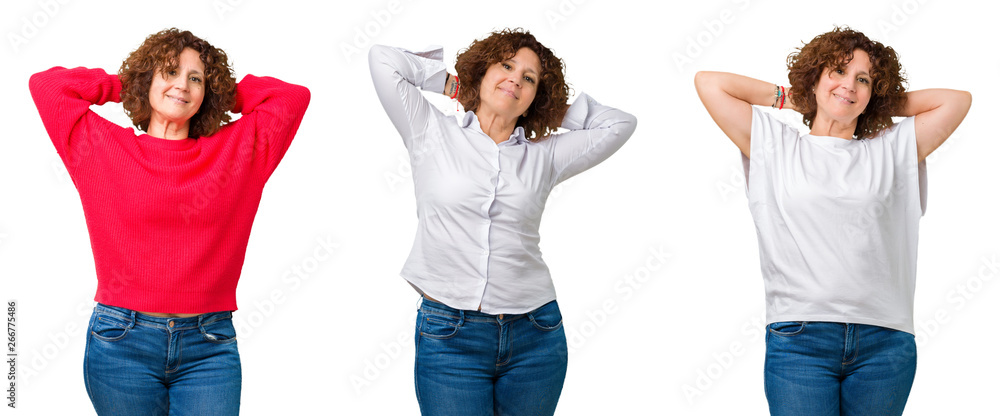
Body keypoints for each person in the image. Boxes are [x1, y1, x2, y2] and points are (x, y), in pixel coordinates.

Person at [29, 28, 310, 415]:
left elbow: (292, 97)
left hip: (208, 345)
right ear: (148, 80)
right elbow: (48, 86)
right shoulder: (101, 148)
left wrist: (214, 90)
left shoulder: (238, 152)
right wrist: (128, 84)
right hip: (120, 341)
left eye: (195, 79)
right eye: (169, 72)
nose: (182, 85)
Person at [694, 27, 971, 415]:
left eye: (863, 80)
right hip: (800, 339)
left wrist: (871, 102)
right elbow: (710, 83)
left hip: (885, 342)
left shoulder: (893, 149)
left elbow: (956, 101)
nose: (848, 85)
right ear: (815, 75)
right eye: (837, 72)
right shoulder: (775, 144)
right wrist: (798, 98)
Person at [369, 28, 637, 415]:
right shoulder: (429, 129)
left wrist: (545, 107)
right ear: (482, 72)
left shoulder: (546, 156)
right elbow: (382, 58)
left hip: (536, 335)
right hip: (450, 336)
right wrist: (453, 85)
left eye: (529, 79)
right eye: (506, 66)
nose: (515, 78)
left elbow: (620, 124)